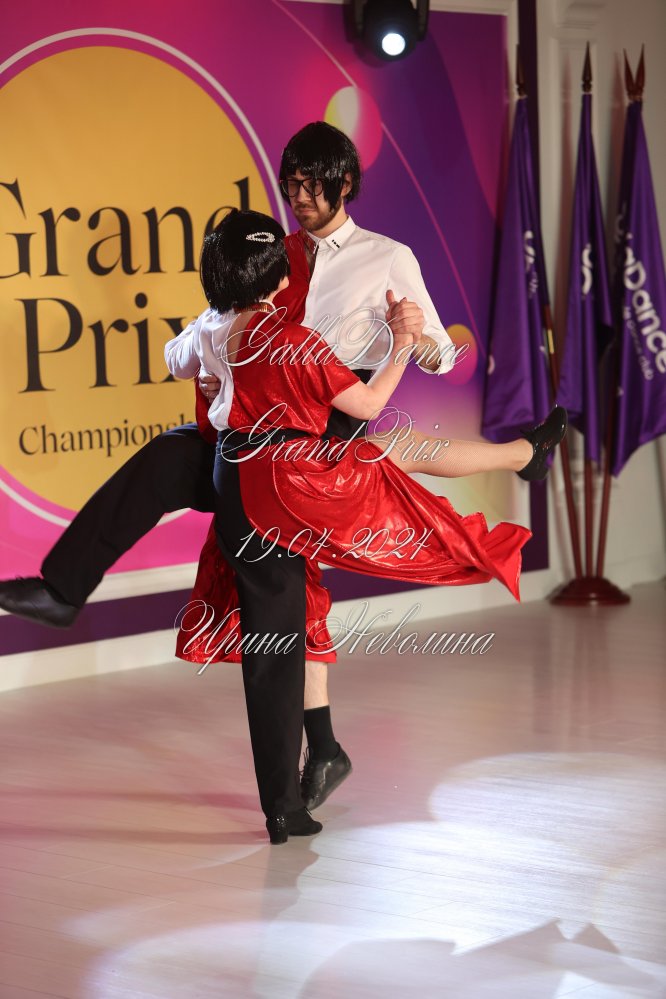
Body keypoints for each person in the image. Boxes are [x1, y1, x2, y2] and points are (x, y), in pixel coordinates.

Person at [165, 208, 564, 841]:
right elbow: (371, 397)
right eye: (294, 185)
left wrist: (220, 373)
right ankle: (300, 779)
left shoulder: (219, 324)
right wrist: (400, 343)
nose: (303, 198)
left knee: (287, 625)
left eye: (312, 186)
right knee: (389, 485)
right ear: (276, 274)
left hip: (250, 467)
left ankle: (314, 759)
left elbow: (177, 358)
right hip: (295, 469)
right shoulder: (289, 330)